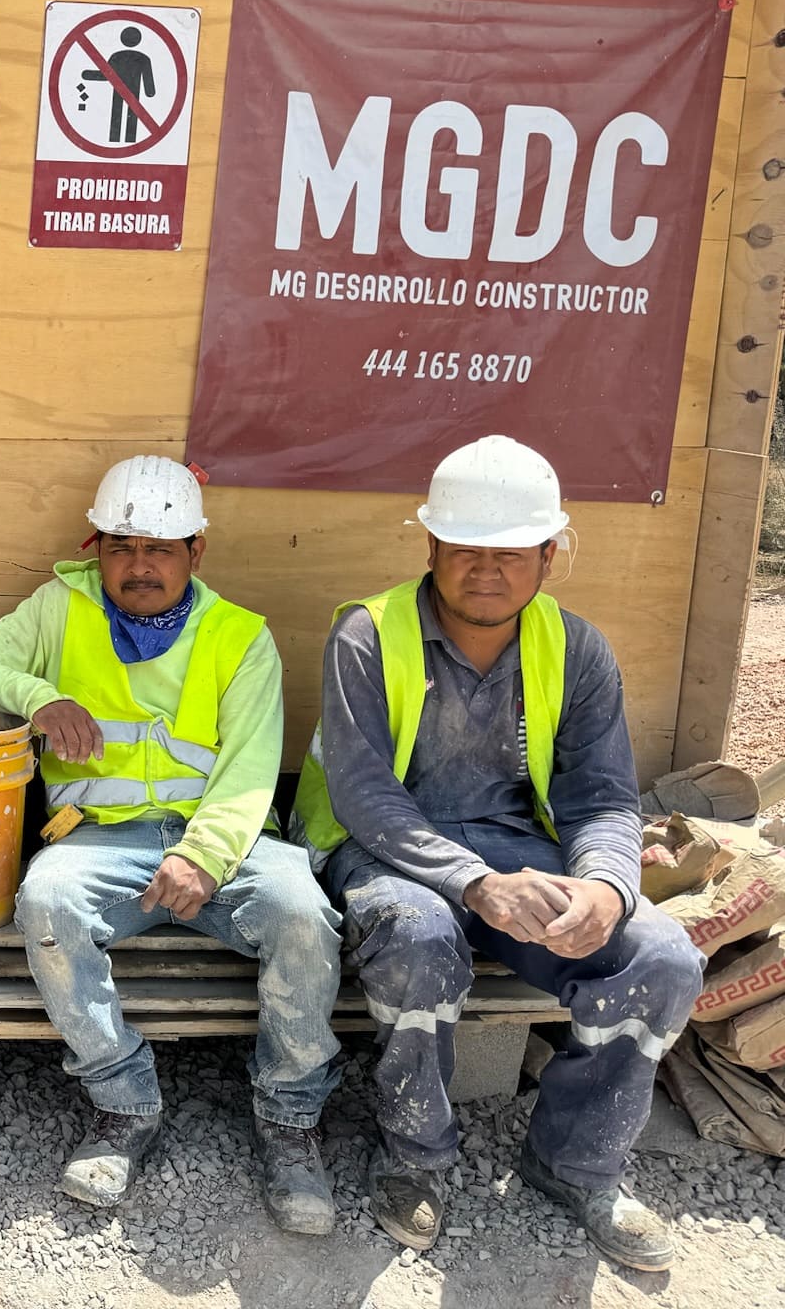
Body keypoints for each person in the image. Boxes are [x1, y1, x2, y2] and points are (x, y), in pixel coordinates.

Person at [294, 435, 704, 1271]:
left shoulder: (577, 649)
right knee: (417, 935)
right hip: (389, 853)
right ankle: (414, 1158)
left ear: (550, 555)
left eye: (513, 552)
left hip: (526, 856)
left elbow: (601, 798)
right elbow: (366, 796)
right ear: (433, 545)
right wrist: (474, 882)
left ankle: (576, 1167)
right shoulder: (367, 637)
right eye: (467, 548)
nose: (488, 569)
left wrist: (606, 888)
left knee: (662, 957)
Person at [0, 456, 342, 1234]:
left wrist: (204, 855)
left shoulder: (239, 637)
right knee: (47, 900)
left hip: (222, 846)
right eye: (121, 546)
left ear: (198, 552)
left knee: (302, 908)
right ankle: (122, 1102)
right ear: (96, 548)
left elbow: (251, 769)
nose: (138, 566)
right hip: (103, 844)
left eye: (160, 549)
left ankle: (291, 1118)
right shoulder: (60, 606)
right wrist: (40, 697)